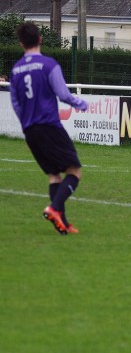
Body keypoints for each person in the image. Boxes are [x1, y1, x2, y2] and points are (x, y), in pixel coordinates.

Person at [9, 21, 88, 235]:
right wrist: (81, 104)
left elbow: (16, 104)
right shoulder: (48, 64)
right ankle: (54, 208)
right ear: (40, 39)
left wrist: (26, 128)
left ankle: (62, 223)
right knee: (74, 171)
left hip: (30, 129)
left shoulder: (15, 70)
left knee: (54, 175)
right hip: (49, 125)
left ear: (21, 43)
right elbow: (63, 94)